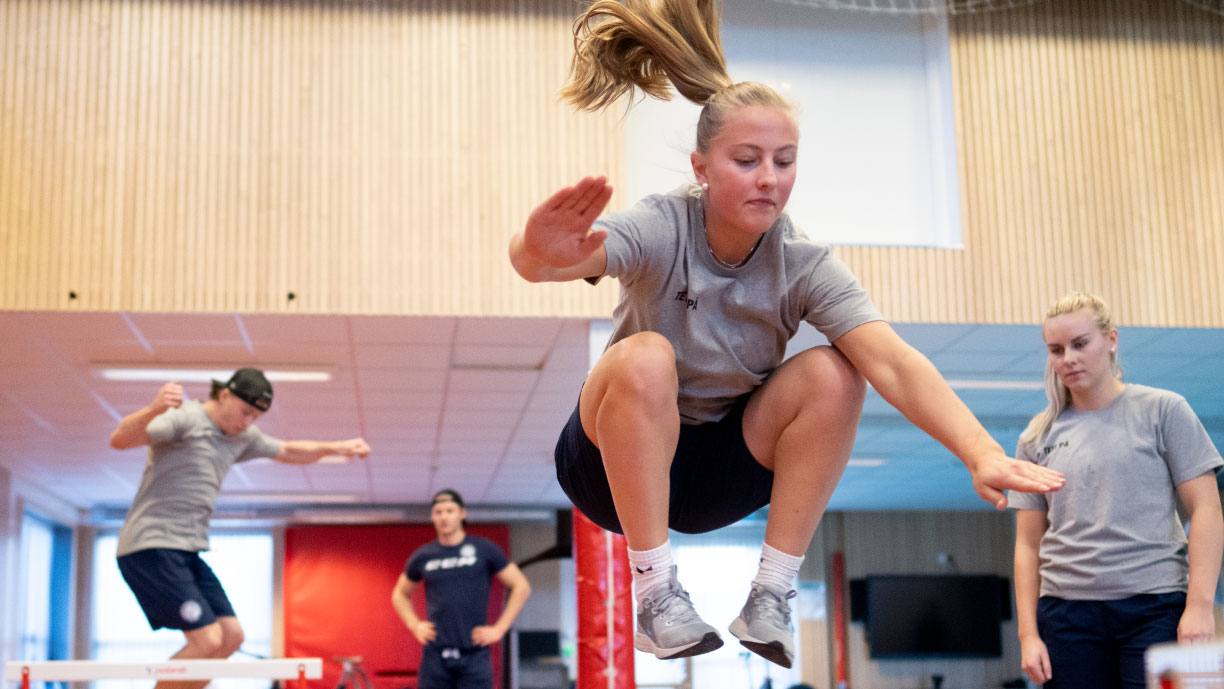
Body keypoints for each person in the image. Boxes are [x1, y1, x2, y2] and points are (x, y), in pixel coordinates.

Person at [507, 0, 1064, 669]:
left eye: (784, 159)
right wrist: (533, 249)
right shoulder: (663, 227)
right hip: (610, 463)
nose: (769, 177)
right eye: (747, 159)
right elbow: (555, 262)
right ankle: (655, 595)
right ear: (703, 165)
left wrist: (979, 451)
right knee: (645, 356)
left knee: (837, 369)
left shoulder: (803, 265)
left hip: (720, 470)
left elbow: (893, 360)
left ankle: (770, 593)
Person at [1010, 291, 1223, 688]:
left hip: (1155, 606)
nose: (1068, 358)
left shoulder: (1164, 410)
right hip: (1066, 614)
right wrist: (1028, 634)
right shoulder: (1037, 437)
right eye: (1056, 350)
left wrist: (1199, 606)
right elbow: (1027, 545)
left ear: (1111, 340)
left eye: (1080, 344)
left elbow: (1207, 509)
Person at [109, 368, 371, 689]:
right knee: (206, 640)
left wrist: (337, 447)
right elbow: (119, 440)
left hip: (187, 550)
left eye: (256, 417)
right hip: (149, 546)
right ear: (224, 395)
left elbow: (287, 450)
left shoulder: (241, 437)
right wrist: (154, 409)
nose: (248, 422)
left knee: (231, 637)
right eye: (245, 412)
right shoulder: (184, 418)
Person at [391, 489, 532, 689]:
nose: (444, 517)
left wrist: (499, 629)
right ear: (432, 516)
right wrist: (415, 625)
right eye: (438, 512)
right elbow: (400, 594)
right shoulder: (424, 555)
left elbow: (521, 586)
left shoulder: (484, 550)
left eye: (450, 511)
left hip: (474, 656)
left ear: (462, 514)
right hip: (436, 659)